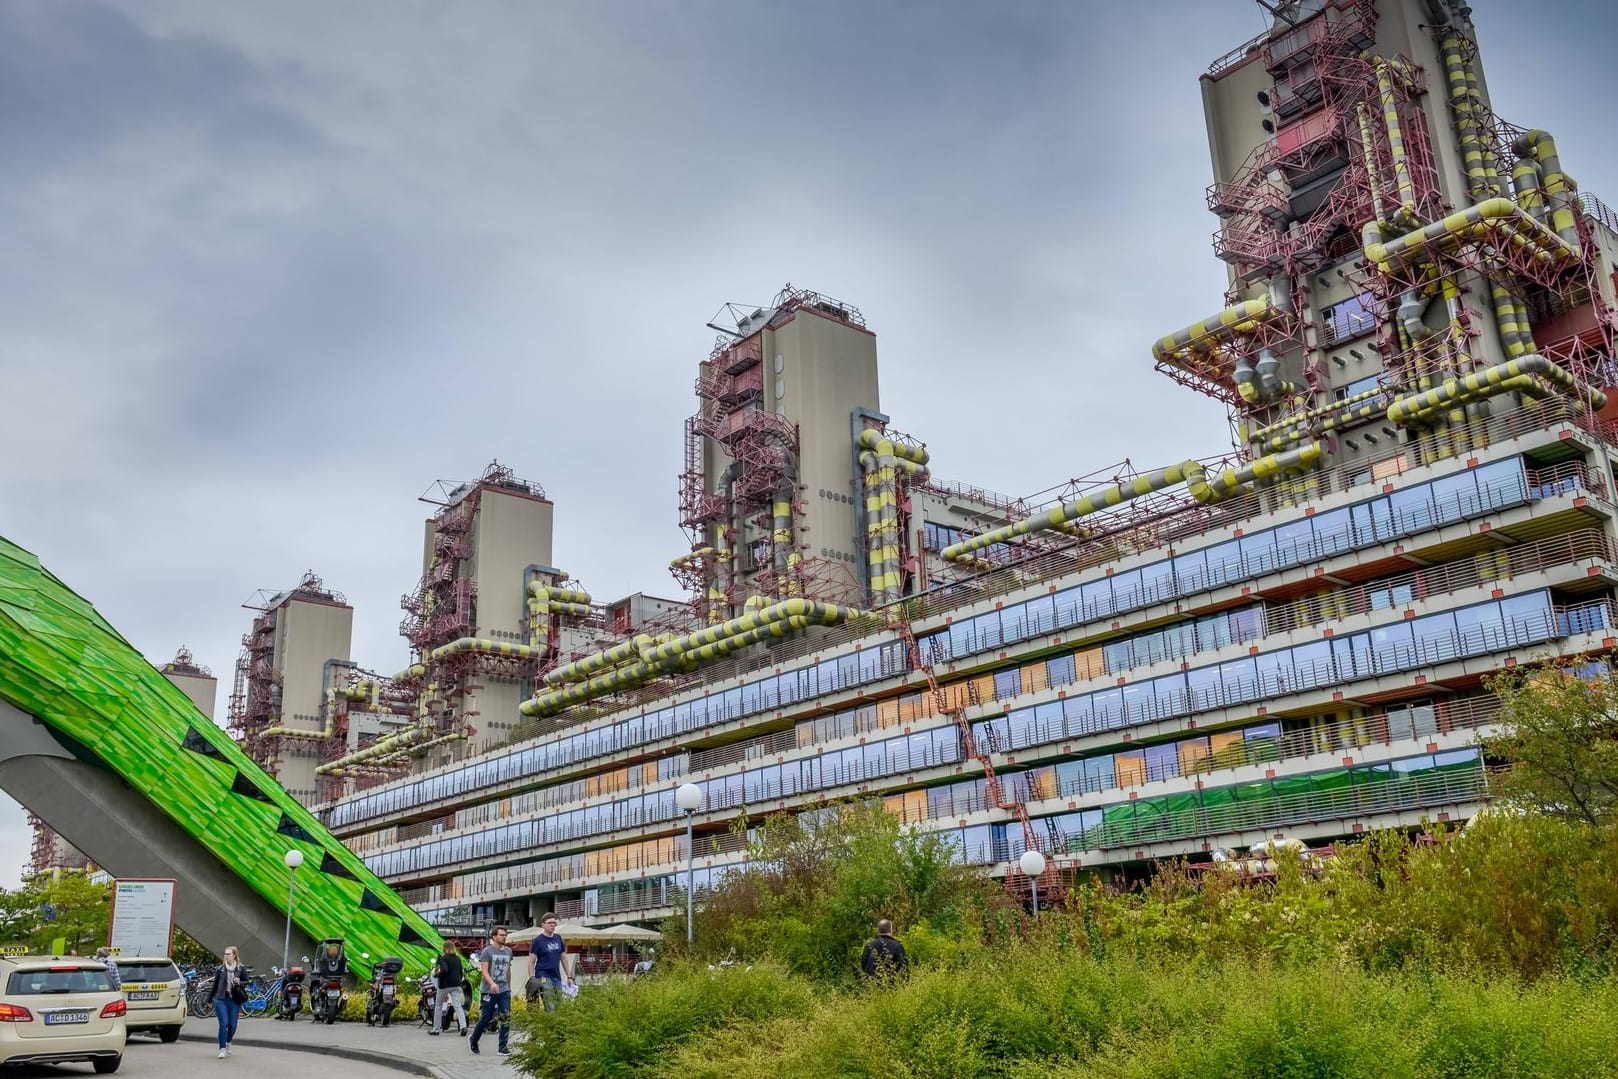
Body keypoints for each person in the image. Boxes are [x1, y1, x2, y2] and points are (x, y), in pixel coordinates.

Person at [467, 927, 513, 1056]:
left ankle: (503, 1047)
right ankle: (474, 1039)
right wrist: (492, 983)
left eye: (505, 935)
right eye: (501, 935)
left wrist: (509, 987)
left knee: (506, 1017)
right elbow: (484, 971)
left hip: (504, 990)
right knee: (486, 1017)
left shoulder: (509, 951)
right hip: (489, 990)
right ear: (494, 937)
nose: (504, 937)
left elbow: (508, 971)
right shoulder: (487, 951)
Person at [527, 913, 574, 1012]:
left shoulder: (558, 938)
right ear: (543, 925)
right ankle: (550, 1026)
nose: (552, 925)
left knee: (559, 1004)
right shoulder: (538, 941)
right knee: (550, 1004)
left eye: (554, 923)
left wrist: (569, 976)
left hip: (556, 976)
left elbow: (564, 958)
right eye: (549, 923)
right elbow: (531, 961)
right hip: (543, 976)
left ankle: (556, 1026)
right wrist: (532, 978)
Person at [213, 946, 247, 1059]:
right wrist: (208, 1000)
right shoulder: (221, 969)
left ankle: (228, 1042)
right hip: (221, 999)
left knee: (232, 1025)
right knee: (224, 1023)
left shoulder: (240, 968)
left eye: (228, 954)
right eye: (225, 954)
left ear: (234, 955)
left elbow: (247, 981)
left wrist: (240, 982)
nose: (226, 956)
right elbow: (215, 985)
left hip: (234, 1000)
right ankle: (222, 1049)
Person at [431, 943, 467, 1036]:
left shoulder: (443, 958)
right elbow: (460, 972)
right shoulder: (457, 959)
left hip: (445, 985)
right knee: (458, 1006)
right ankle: (463, 1026)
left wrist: (437, 975)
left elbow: (444, 970)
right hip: (456, 985)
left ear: (444, 949)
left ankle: (436, 1029)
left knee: (438, 1006)